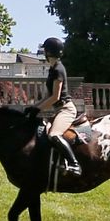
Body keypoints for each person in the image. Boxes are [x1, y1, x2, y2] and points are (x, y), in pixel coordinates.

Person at [39, 36, 82, 177]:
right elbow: (47, 97)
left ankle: (74, 164)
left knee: (54, 135)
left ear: (47, 52)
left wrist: (38, 109)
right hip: (58, 110)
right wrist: (33, 107)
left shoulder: (58, 69)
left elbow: (55, 97)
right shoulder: (53, 69)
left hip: (65, 109)